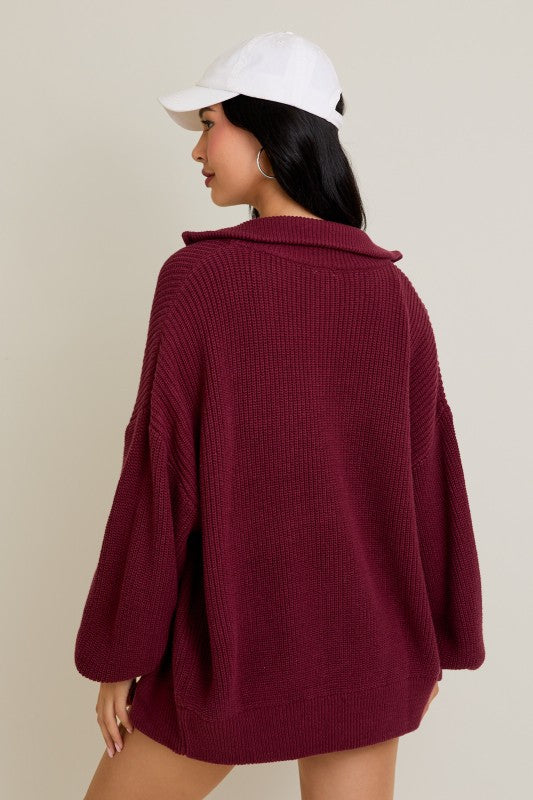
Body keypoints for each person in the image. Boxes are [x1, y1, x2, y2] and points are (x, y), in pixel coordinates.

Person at [74, 31, 485, 800]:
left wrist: (118, 652)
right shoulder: (393, 296)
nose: (197, 150)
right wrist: (434, 638)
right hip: (369, 657)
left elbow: (159, 479)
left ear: (267, 135)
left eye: (209, 125)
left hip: (231, 656)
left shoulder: (199, 282)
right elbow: (432, 483)